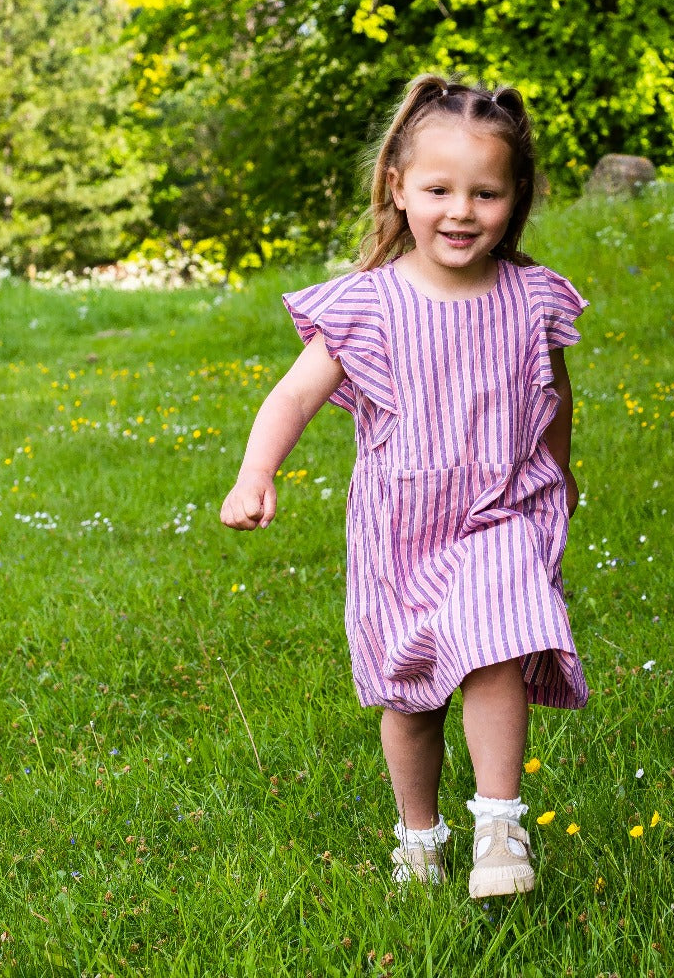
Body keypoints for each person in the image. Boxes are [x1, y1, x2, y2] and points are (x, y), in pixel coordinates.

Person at [220, 73, 588, 898]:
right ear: (398, 187)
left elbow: (553, 391)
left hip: (503, 512)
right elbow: (293, 395)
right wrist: (256, 473)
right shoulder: (368, 306)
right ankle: (419, 836)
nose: (461, 211)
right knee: (413, 698)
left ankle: (501, 829)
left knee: (498, 648)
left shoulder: (532, 298)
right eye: (439, 189)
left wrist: (561, 474)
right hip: (402, 527)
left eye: (485, 192)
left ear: (515, 194)